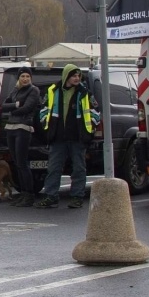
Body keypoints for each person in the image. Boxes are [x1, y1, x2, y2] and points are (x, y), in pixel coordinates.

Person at [36, 64, 97, 209]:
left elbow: (95, 112)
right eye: (74, 76)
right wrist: (47, 127)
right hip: (58, 138)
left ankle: (77, 196)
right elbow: (43, 110)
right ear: (66, 76)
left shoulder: (84, 93)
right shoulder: (53, 91)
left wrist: (89, 130)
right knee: (53, 168)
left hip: (77, 138)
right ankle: (51, 196)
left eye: (78, 76)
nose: (77, 78)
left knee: (79, 168)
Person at [1, 69, 42, 206]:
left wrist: (13, 109)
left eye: (27, 76)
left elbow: (27, 108)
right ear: (19, 78)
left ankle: (29, 194)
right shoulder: (15, 90)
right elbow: (3, 106)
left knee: (23, 162)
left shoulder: (33, 90)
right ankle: (23, 193)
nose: (25, 79)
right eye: (22, 76)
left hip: (23, 127)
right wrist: (16, 105)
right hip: (11, 127)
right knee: (17, 163)